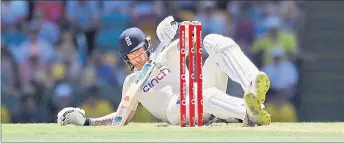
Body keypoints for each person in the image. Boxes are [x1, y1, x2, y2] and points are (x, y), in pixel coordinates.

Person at [57, 16, 271, 127]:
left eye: (140, 50)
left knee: (213, 41)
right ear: (127, 59)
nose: (138, 57)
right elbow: (119, 120)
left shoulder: (166, 53)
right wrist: (86, 122)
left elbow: (193, 39)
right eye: (132, 55)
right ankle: (246, 112)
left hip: (199, 94)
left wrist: (176, 30)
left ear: (148, 46)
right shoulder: (132, 82)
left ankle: (252, 84)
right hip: (176, 109)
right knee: (200, 96)